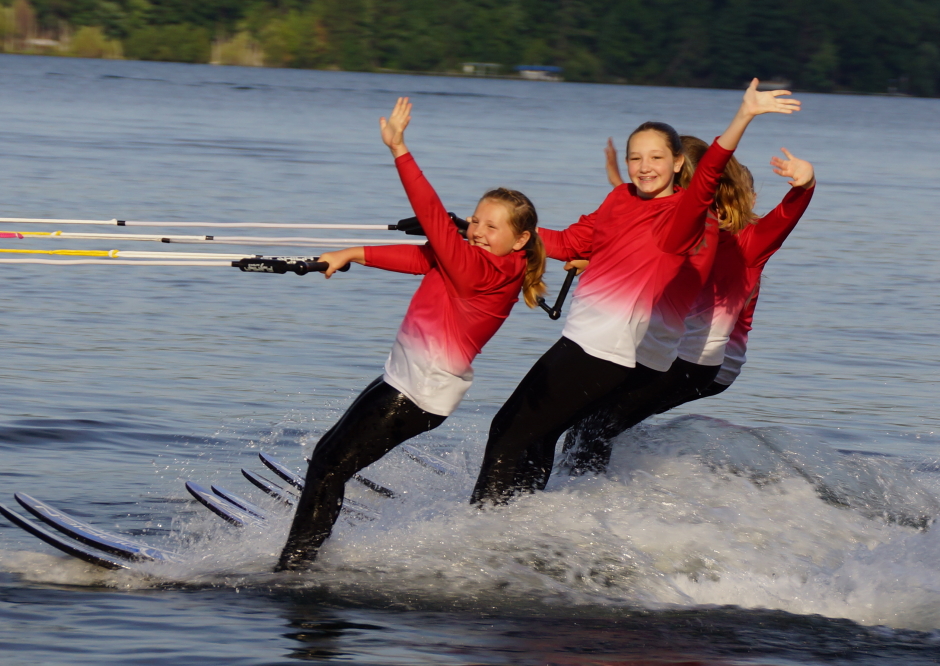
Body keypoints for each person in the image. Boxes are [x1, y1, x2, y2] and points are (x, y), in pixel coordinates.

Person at [470, 79, 800, 505]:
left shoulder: (687, 218)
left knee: (515, 429)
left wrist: (744, 117)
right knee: (537, 432)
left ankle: (489, 523)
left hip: (611, 348)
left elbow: (708, 179)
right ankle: (528, 514)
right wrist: (481, 232)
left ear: (679, 163)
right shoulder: (621, 199)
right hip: (590, 340)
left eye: (657, 158)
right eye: (635, 158)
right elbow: (570, 242)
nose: (644, 166)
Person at [276, 97, 546, 570]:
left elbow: (435, 221)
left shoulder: (480, 271)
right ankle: (301, 560)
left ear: (520, 240)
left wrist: (400, 149)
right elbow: (422, 258)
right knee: (327, 460)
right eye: (476, 220)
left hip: (416, 393)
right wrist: (352, 253)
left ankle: (294, 570)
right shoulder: (481, 262)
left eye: (491, 226)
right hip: (405, 381)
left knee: (328, 468)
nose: (478, 230)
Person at [564, 146, 816, 474]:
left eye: (731, 197)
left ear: (750, 201)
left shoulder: (751, 242)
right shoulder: (695, 237)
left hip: (708, 363)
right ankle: (597, 482)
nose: (718, 207)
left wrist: (805, 182)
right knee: (593, 419)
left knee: (594, 424)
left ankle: (581, 494)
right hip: (674, 356)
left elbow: (788, 214)